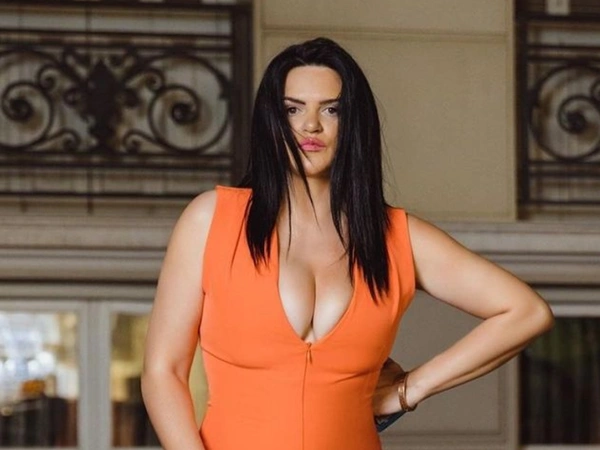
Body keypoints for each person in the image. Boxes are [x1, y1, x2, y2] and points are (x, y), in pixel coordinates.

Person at [141, 37, 554, 450]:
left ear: (353, 122)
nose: (311, 125)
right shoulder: (212, 220)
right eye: (293, 109)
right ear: (272, 121)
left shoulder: (396, 237)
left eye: (331, 109)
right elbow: (164, 371)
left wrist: (409, 389)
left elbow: (526, 311)